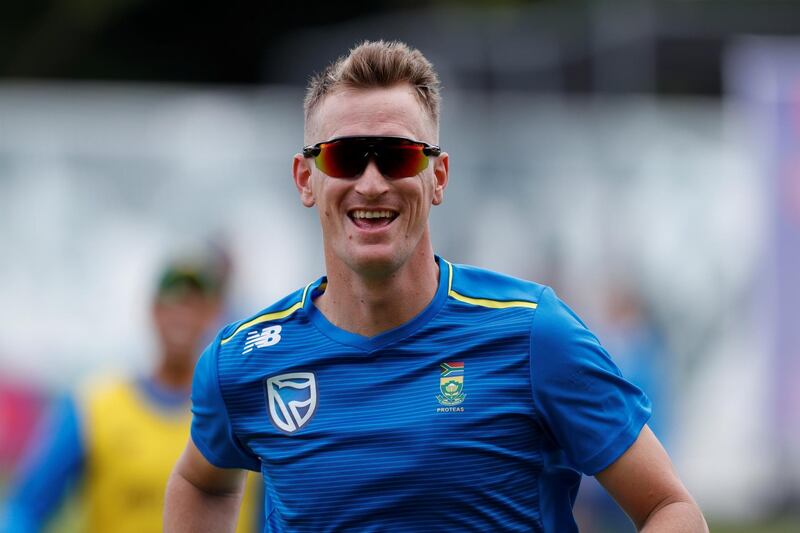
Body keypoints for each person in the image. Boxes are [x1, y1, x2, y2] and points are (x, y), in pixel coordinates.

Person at [164, 40, 708, 532]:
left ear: (438, 177)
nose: (371, 182)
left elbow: (670, 508)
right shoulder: (243, 363)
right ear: (308, 179)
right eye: (345, 156)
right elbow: (199, 481)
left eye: (398, 155)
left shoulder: (533, 333)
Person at [1, 252, 260, 533]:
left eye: (195, 306)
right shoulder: (94, 406)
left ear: (214, 316)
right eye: (173, 303)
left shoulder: (246, 416)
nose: (183, 316)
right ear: (152, 311)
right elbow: (26, 508)